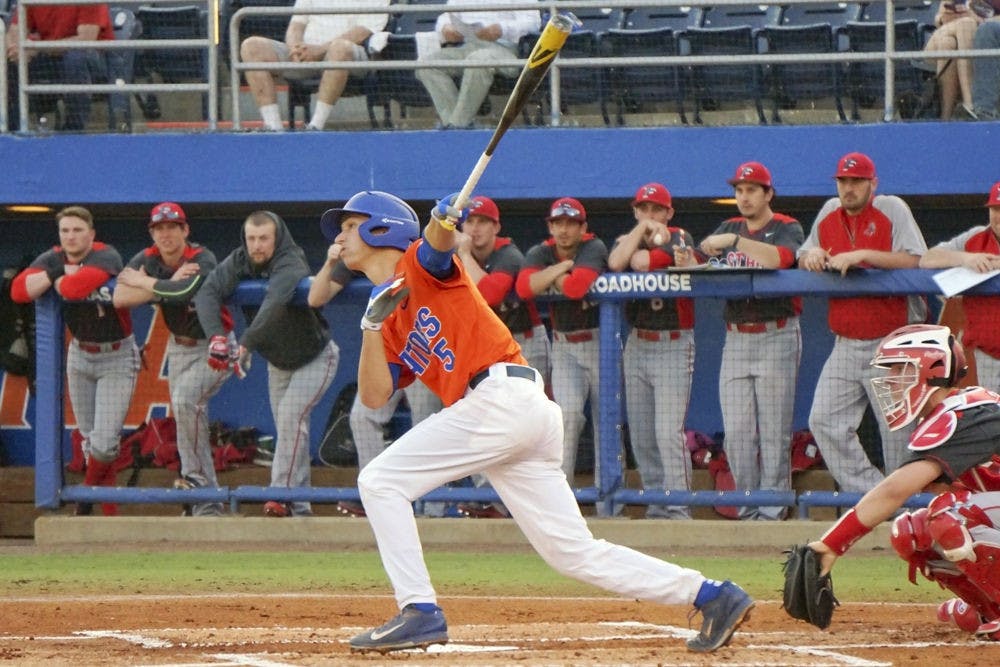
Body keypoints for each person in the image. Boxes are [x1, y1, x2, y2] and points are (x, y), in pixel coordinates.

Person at [321, 189, 754, 655]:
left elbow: (438, 245)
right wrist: (369, 327)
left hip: (501, 398)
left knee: (381, 481)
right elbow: (374, 395)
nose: (339, 239)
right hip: (512, 412)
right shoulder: (383, 310)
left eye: (349, 226)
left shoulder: (416, 262)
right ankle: (712, 595)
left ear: (379, 229)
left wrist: (443, 221)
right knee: (571, 552)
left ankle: (419, 611)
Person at [799, 323, 1000, 641]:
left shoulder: (965, 413)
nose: (891, 381)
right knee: (910, 532)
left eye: (900, 370)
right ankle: (990, 608)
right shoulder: (949, 416)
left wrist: (831, 545)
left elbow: (895, 490)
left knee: (948, 515)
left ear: (932, 370)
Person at [680, 163, 805, 520]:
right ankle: (749, 506)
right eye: (739, 190)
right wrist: (686, 257)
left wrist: (735, 242)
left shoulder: (786, 225)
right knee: (736, 434)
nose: (744, 196)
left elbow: (781, 259)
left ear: (768, 194)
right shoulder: (728, 225)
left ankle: (773, 509)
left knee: (775, 431)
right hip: (736, 337)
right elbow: (698, 261)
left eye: (752, 189)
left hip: (776, 334)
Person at [798, 152, 928, 495]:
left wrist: (863, 255)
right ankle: (878, 496)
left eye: (856, 181)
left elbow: (917, 260)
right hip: (845, 342)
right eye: (843, 181)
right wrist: (809, 254)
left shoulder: (892, 208)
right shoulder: (828, 212)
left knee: (898, 435)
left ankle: (907, 511)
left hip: (892, 342)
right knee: (823, 420)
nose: (848, 188)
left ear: (873, 183)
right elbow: (805, 251)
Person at [194, 211, 339, 517]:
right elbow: (207, 291)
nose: (257, 245)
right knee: (289, 429)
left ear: (277, 238)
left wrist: (245, 342)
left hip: (316, 357)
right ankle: (300, 509)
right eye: (251, 239)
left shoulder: (291, 260)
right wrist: (216, 337)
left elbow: (273, 304)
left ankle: (279, 496)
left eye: (264, 238)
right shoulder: (240, 260)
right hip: (278, 363)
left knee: (289, 419)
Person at [10, 206, 140, 516]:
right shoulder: (54, 257)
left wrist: (57, 279)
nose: (70, 236)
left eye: (77, 230)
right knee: (89, 443)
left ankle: (83, 502)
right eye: (65, 230)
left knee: (104, 444)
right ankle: (109, 516)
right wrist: (56, 272)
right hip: (80, 355)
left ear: (91, 234)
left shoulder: (105, 254)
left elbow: (72, 289)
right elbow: (18, 291)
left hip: (116, 354)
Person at [112, 202, 230, 517]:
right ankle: (208, 502)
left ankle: (194, 481)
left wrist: (148, 284)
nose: (165, 234)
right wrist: (165, 285)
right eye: (159, 228)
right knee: (189, 415)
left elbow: (186, 290)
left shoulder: (202, 257)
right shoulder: (148, 257)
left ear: (185, 230)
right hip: (179, 346)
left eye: (172, 227)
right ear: (152, 233)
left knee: (184, 400)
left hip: (215, 345)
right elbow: (120, 298)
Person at [454, 194, 550, 518]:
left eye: (483, 222)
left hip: (524, 343)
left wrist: (464, 253)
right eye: (470, 221)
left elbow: (489, 295)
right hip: (484, 349)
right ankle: (489, 499)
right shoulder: (454, 255)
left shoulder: (508, 253)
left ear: (497, 226)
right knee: (481, 421)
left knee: (523, 424)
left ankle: (527, 501)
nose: (475, 228)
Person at [606, 183, 696, 520]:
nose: (650, 215)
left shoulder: (680, 237)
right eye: (643, 209)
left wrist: (649, 237)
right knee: (642, 434)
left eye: (656, 210)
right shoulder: (626, 239)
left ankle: (680, 507)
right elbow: (617, 261)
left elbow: (642, 262)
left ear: (669, 213)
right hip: (638, 343)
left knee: (667, 431)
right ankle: (658, 505)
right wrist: (641, 229)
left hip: (673, 343)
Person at [516, 197, 609, 502]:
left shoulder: (593, 247)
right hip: (564, 345)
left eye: (571, 223)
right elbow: (523, 288)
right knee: (566, 417)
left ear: (583, 227)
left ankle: (609, 500)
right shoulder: (541, 251)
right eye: (558, 223)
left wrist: (556, 273)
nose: (564, 230)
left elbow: (575, 288)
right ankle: (562, 498)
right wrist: (563, 266)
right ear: (551, 226)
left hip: (601, 342)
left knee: (607, 420)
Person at [238, 0, 390, 131]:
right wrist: (295, 48)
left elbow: (362, 32)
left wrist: (320, 49)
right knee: (251, 46)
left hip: (352, 55)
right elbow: (296, 25)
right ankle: (273, 127)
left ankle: (316, 127)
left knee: (340, 47)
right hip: (306, 53)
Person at [919, 181, 1000, 390]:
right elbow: (926, 259)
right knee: (995, 419)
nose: (998, 216)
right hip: (990, 356)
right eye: (995, 209)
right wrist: (965, 258)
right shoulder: (976, 238)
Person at [415, 0, 539, 129]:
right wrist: (445, 27)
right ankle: (455, 125)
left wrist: (501, 29)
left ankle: (457, 126)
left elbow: (533, 23)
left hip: (507, 49)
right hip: (469, 45)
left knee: (477, 59)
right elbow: (447, 15)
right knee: (427, 64)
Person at [4, 3, 114, 131]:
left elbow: (86, 40)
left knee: (75, 58)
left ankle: (74, 128)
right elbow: (13, 33)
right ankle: (13, 127)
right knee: (10, 59)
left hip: (95, 58)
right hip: (50, 54)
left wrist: (35, 47)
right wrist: (17, 49)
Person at [922, 1, 984, 119]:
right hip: (943, 33)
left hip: (967, 39)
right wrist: (945, 17)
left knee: (948, 43)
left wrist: (974, 16)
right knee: (966, 24)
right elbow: (939, 18)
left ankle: (946, 117)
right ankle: (970, 105)